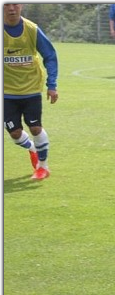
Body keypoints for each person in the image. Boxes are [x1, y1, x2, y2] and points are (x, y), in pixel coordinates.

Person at [4, 3, 59, 180]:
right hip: (6, 91)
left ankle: (43, 167)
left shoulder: (32, 29)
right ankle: (32, 149)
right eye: (6, 5)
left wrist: (52, 85)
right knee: (15, 133)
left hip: (31, 89)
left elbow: (50, 55)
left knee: (35, 127)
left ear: (21, 6)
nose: (11, 9)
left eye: (15, 4)